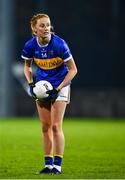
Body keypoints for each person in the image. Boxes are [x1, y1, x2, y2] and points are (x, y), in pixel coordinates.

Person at [21, 13, 77, 175]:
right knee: (45, 127)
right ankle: (48, 165)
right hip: (42, 87)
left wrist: (58, 89)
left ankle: (58, 166)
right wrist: (31, 84)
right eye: (42, 25)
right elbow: (27, 67)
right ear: (34, 29)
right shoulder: (30, 45)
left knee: (55, 126)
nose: (46, 28)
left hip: (61, 85)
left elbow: (73, 69)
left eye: (48, 25)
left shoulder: (60, 44)